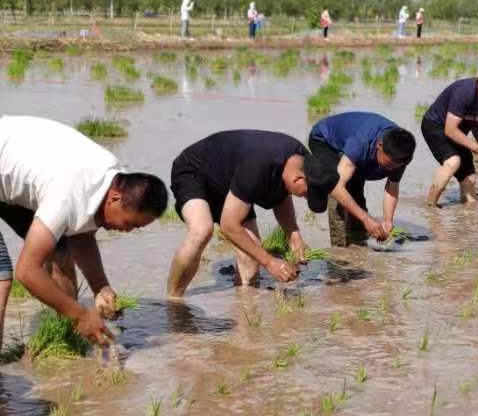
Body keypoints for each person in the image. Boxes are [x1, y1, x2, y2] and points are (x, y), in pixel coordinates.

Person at [0, 116, 168, 349]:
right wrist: (80, 315)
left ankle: (66, 338)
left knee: (60, 253)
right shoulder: (66, 197)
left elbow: (81, 230)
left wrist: (101, 286)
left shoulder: (112, 177)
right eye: (130, 223)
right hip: (8, 160)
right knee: (2, 278)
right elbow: (27, 272)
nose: (127, 231)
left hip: (13, 174)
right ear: (115, 198)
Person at [167, 131, 311, 298]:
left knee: (251, 251)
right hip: (194, 170)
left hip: (233, 182)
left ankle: (245, 309)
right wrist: (270, 262)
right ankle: (173, 301)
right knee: (202, 230)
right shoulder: (257, 166)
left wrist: (293, 234)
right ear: (298, 179)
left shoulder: (301, 161)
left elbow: (281, 196)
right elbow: (229, 227)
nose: (306, 198)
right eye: (307, 194)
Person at [305, 112, 416, 246]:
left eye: (395, 166)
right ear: (379, 146)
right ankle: (339, 249)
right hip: (325, 141)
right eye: (388, 164)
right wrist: (366, 218)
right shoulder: (360, 144)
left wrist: (388, 220)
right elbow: (337, 188)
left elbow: (392, 186)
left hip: (355, 154)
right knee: (331, 197)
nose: (391, 169)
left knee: (356, 191)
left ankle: (358, 239)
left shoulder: (401, 155)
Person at [421, 59, 478, 206]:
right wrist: (477, 148)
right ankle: (431, 208)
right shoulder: (464, 92)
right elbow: (450, 130)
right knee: (453, 162)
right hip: (435, 125)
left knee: (470, 178)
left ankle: (469, 215)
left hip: (459, 131)